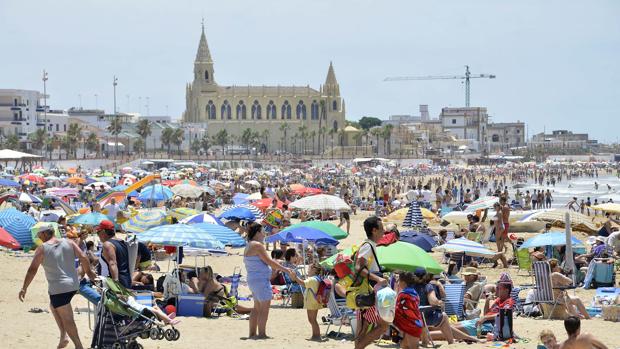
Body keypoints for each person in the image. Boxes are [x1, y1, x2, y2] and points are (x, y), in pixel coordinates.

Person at [19, 225, 97, 349]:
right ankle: (63, 336)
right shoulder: (69, 242)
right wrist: (89, 273)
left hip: (59, 288)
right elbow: (83, 256)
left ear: (44, 234)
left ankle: (78, 346)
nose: (39, 238)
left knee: (68, 318)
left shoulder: (42, 248)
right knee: (53, 306)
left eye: (39, 236)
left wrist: (24, 287)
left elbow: (32, 270)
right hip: (73, 284)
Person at [243, 222, 291, 339]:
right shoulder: (257, 245)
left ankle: (252, 333)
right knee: (264, 308)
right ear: (258, 232)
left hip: (254, 279)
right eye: (263, 231)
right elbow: (269, 261)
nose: (265, 234)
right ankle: (262, 334)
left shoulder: (249, 245)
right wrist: (285, 269)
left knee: (257, 307)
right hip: (260, 280)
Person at [354, 216, 389, 349]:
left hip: (368, 292)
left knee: (364, 329)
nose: (384, 231)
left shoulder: (370, 246)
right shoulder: (368, 246)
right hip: (369, 291)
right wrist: (377, 278)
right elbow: (358, 267)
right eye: (382, 229)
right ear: (374, 230)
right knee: (382, 325)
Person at [288, 263, 327, 341]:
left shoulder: (312, 279)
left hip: (312, 301)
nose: (308, 271)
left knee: (312, 319)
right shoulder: (317, 278)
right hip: (314, 301)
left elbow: (303, 283)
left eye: (309, 269)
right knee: (313, 319)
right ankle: (315, 335)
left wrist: (295, 277)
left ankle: (316, 336)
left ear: (314, 270)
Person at [96, 220, 132, 289]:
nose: (98, 236)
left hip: (111, 283)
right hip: (126, 279)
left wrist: (116, 283)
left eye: (98, 232)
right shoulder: (122, 242)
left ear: (103, 232)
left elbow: (113, 263)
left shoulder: (107, 244)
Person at [393, 271, 423, 349]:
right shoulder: (415, 293)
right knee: (404, 345)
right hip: (414, 324)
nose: (398, 283)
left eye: (398, 281)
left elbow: (396, 307)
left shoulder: (403, 294)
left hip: (410, 326)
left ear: (403, 282)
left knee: (412, 347)